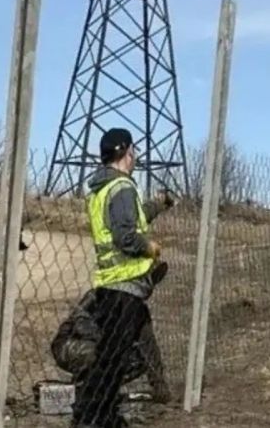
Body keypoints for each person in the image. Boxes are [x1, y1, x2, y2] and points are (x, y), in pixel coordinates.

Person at [72, 127, 174, 428]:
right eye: (134, 151)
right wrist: (150, 247)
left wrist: (158, 204)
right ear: (127, 151)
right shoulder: (123, 187)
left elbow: (132, 216)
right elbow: (126, 235)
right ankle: (93, 417)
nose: (136, 157)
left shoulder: (103, 189)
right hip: (124, 286)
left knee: (131, 343)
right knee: (111, 360)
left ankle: (157, 390)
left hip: (115, 284)